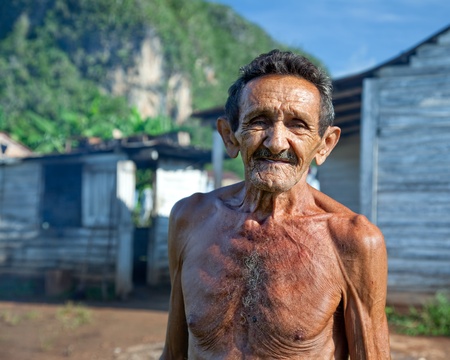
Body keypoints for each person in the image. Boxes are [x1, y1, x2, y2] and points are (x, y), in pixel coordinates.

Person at [161, 50, 390, 359]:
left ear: (325, 144)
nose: (276, 142)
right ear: (230, 137)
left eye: (298, 125)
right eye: (259, 121)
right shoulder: (190, 220)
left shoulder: (352, 241)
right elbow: (174, 353)